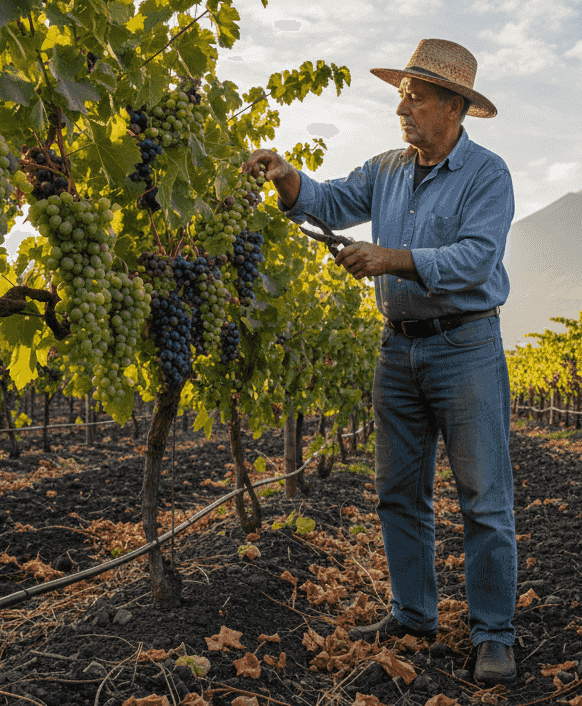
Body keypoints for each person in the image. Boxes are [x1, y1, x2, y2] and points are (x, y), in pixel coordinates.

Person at [241, 39, 518, 686]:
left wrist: (390, 258)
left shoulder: (488, 175)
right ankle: (414, 613)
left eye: (417, 95)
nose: (403, 105)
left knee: (484, 499)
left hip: (466, 348)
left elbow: (477, 258)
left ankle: (495, 636)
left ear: (455, 107)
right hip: (398, 347)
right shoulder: (389, 167)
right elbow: (332, 202)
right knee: (398, 492)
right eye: (402, 92)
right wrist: (287, 176)